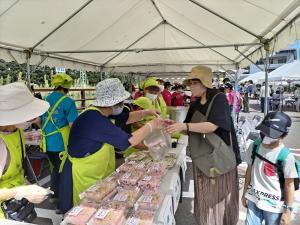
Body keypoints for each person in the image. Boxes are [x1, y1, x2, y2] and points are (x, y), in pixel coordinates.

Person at [59, 78, 162, 213]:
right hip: (83, 173)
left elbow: (125, 118)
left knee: (99, 205)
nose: (122, 105)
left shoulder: (100, 112)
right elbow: (127, 142)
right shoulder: (94, 119)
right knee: (86, 209)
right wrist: (151, 126)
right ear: (112, 103)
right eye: (120, 103)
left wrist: (146, 113)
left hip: (95, 171)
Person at [166, 66, 241, 225]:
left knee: (220, 197)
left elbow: (213, 126)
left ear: (205, 83)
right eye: (190, 83)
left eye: (195, 82)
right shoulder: (195, 103)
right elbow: (188, 129)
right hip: (202, 158)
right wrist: (175, 125)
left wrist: (184, 127)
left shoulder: (218, 98)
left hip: (219, 157)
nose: (191, 86)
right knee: (203, 196)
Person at [0, 82, 52, 220]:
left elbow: (18, 170)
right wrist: (22, 191)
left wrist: (29, 187)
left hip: (16, 207)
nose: (33, 119)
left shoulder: (17, 131)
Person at [242, 111, 297, 225]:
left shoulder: (286, 156)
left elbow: (289, 184)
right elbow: (249, 170)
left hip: (274, 206)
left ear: (284, 135)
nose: (265, 136)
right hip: (254, 198)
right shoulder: (255, 146)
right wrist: (244, 193)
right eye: (263, 131)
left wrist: (287, 211)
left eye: (271, 134)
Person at [39, 73, 78, 207]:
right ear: (67, 87)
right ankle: (64, 203)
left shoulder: (44, 99)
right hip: (62, 143)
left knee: (55, 169)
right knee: (65, 172)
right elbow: (73, 125)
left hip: (47, 143)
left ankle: (54, 195)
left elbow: (38, 121)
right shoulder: (68, 102)